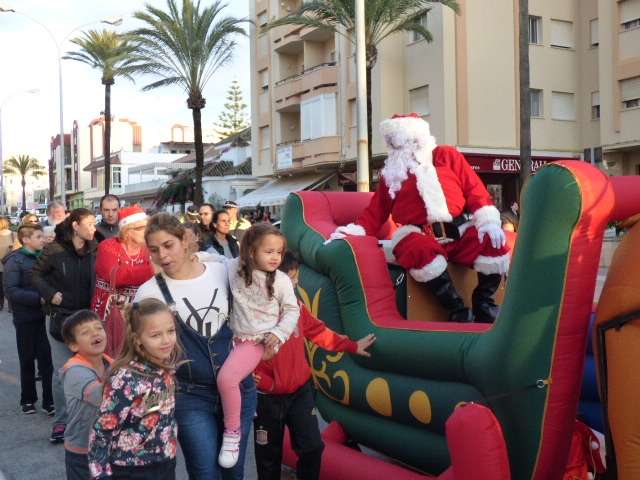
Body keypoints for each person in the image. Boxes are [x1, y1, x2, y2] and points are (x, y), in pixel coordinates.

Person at [329, 113, 511, 324]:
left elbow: (474, 189)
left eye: (402, 139)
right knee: (416, 249)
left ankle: (484, 303)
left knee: (492, 241)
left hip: (459, 231)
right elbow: (375, 213)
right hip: (419, 234)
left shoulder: (446, 155)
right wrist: (354, 231)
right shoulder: (393, 174)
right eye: (393, 141)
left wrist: (487, 220)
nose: (399, 146)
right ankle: (458, 310)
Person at [134, 213, 256, 480]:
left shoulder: (222, 271)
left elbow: (258, 302)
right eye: (154, 250)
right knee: (204, 473)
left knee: (234, 471)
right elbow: (140, 350)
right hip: (190, 395)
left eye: (168, 245)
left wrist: (270, 340)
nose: (162, 255)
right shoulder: (149, 293)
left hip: (239, 390)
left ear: (184, 240)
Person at [253, 251, 376, 480]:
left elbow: (318, 332)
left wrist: (351, 346)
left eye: (296, 277)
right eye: (292, 278)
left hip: (300, 392)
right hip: (267, 398)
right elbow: (243, 350)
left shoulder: (297, 307)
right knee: (268, 459)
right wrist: (266, 383)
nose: (296, 283)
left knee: (312, 448)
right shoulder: (254, 312)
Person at [217, 223, 299, 468]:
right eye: (269, 251)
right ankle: (242, 409)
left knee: (226, 380)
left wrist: (279, 333)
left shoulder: (281, 280)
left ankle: (232, 433)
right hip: (233, 338)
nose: (275, 257)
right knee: (231, 382)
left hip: (257, 341)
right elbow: (215, 260)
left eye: (279, 252)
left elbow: (292, 310)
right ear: (251, 252)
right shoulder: (235, 269)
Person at [88, 299, 179, 479]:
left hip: (165, 462)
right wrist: (100, 474)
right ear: (137, 339)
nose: (166, 340)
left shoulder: (166, 368)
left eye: (170, 331)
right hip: (132, 469)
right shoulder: (125, 379)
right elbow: (102, 430)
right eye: (155, 335)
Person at [32, 208, 97, 444]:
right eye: (89, 224)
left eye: (94, 224)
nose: (93, 228)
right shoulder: (55, 249)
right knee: (63, 373)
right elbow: (35, 275)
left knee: (92, 373)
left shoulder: (96, 248)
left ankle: (91, 421)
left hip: (89, 320)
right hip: (62, 320)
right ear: (75, 226)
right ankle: (61, 421)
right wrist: (50, 294)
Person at [4, 223, 54, 415]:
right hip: (25, 317)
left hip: (45, 317)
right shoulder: (14, 261)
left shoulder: (44, 257)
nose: (43, 240)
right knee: (27, 359)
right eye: (39, 237)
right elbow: (11, 291)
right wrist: (38, 299)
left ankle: (49, 401)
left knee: (46, 361)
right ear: (26, 239)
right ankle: (28, 400)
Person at [91, 205, 154, 357]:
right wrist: (153, 269)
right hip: (111, 308)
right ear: (127, 230)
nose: (147, 231)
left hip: (140, 308)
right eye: (141, 228)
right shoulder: (108, 246)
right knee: (113, 354)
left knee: (140, 352)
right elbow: (117, 277)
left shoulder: (149, 247)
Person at [60, 310, 112, 480]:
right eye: (85, 332)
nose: (95, 333)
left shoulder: (112, 363)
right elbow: (102, 397)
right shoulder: (74, 370)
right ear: (73, 346)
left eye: (98, 328)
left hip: (109, 446)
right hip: (82, 451)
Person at [0, 216, 15, 310]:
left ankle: (0, 304)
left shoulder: (12, 234)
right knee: (10, 285)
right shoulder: (13, 234)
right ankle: (11, 306)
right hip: (10, 264)